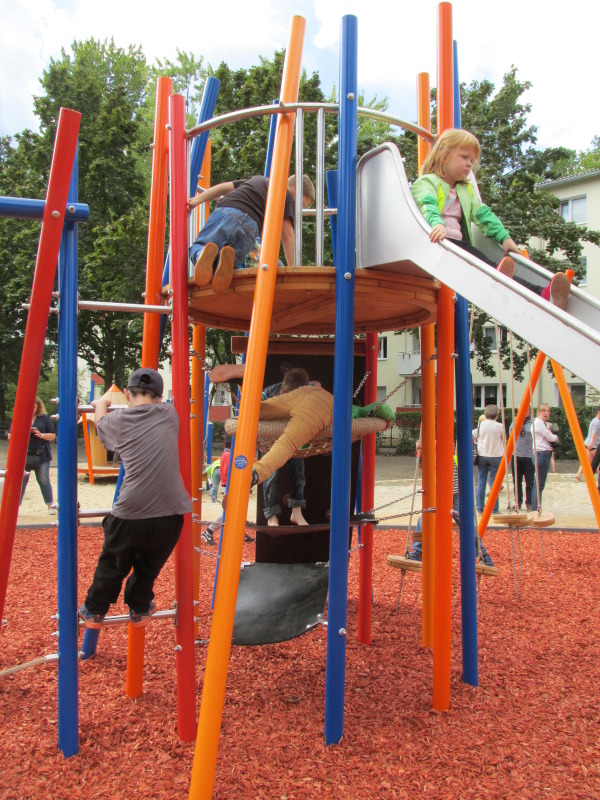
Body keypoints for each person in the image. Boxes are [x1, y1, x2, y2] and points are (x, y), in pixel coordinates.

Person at [79, 368, 192, 628]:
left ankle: (95, 611)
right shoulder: (170, 414)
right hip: (171, 515)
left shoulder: (117, 422)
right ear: (160, 397)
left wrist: (101, 404)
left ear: (128, 395)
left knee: (113, 563)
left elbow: (102, 428)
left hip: (129, 514)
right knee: (148, 567)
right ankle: (140, 609)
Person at [411, 128, 571, 310]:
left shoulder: (465, 190)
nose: (469, 164)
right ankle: (509, 283)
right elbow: (427, 203)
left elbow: (482, 214)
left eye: (472, 160)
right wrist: (437, 223)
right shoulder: (426, 183)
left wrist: (504, 237)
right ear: (444, 156)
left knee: (493, 267)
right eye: (464, 157)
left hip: (458, 247)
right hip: (436, 244)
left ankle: (541, 293)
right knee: (489, 268)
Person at [187, 174, 315, 294]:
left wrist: (197, 200)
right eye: (302, 204)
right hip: (250, 226)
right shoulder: (287, 196)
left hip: (225, 211)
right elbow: (287, 235)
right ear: (296, 192)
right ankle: (223, 261)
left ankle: (202, 254)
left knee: (198, 246)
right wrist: (293, 269)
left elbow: (224, 187)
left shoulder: (258, 179)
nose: (298, 209)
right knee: (228, 269)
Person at [407, 441, 494, 567]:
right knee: (426, 519)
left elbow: (471, 457)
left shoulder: (451, 459)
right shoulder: (436, 459)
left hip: (451, 497)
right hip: (443, 496)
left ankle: (482, 553)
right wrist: (420, 451)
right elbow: (422, 464)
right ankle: (418, 550)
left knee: (463, 523)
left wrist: (471, 442)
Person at [202, 435, 254, 545]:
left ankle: (239, 532)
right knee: (229, 511)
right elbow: (226, 471)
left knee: (235, 510)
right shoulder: (229, 455)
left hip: (231, 485)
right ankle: (209, 531)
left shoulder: (227, 454)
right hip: (230, 486)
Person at [11, 396, 56, 514]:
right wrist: (22, 433)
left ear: (38, 407)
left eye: (34, 407)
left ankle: (50, 505)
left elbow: (52, 436)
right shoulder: (20, 417)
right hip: (24, 453)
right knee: (22, 479)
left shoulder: (44, 418)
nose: (32, 409)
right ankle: (16, 507)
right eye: (29, 406)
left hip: (42, 453)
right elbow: (11, 436)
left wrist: (40, 434)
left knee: (43, 479)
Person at [475, 404, 506, 514]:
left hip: (483, 454)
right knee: (494, 482)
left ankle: (479, 508)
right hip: (496, 455)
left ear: (485, 414)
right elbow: (504, 440)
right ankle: (494, 508)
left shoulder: (481, 425)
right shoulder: (500, 426)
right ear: (497, 415)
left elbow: (477, 437)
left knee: (481, 481)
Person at [531, 403, 559, 512]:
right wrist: (555, 437)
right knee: (539, 484)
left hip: (542, 453)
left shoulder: (543, 423)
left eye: (548, 411)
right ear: (539, 412)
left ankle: (536, 507)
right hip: (541, 453)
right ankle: (536, 508)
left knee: (538, 483)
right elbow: (551, 437)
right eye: (544, 411)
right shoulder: (538, 424)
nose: (546, 413)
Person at [509, 410, 535, 510]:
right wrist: (517, 421)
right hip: (516, 455)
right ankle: (518, 501)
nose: (524, 412)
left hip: (528, 455)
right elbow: (511, 431)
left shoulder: (533, 422)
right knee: (516, 481)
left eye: (526, 410)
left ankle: (529, 502)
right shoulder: (515, 421)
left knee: (529, 481)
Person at [575, 407, 600, 482]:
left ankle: (579, 474)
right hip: (594, 444)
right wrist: (592, 443)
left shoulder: (594, 420)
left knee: (587, 461)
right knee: (596, 461)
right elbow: (594, 433)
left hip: (588, 443)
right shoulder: (598, 422)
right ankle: (595, 477)